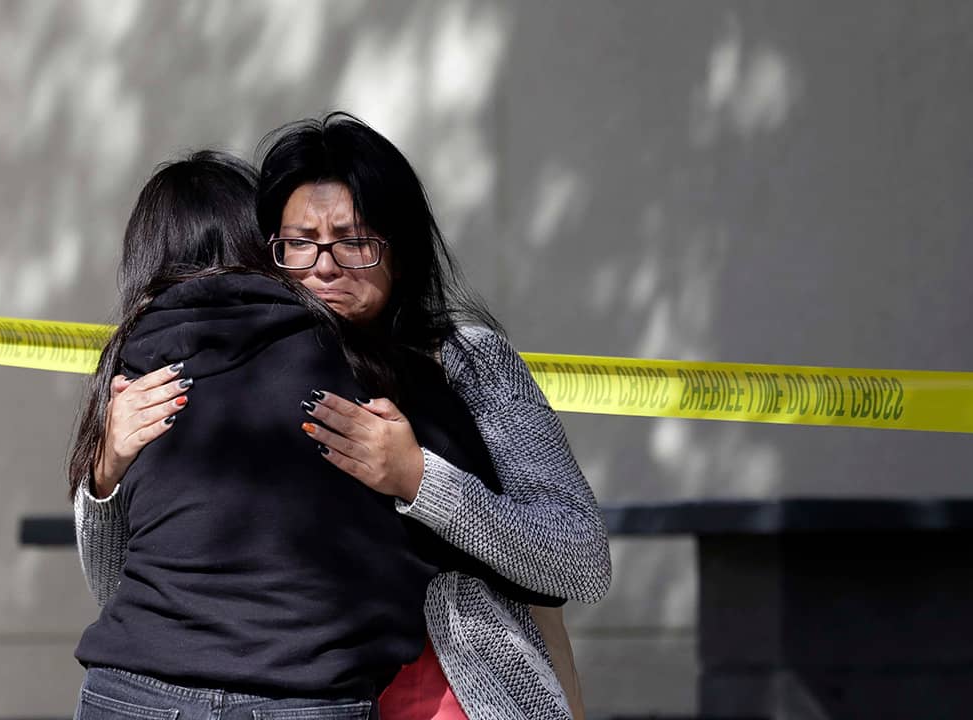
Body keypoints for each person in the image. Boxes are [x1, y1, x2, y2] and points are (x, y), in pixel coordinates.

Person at [76, 114, 610, 720]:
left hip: (447, 699)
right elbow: (118, 588)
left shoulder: (465, 362)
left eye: (354, 241)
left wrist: (419, 479)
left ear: (400, 253)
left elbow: (581, 560)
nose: (325, 265)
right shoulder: (229, 370)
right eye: (300, 242)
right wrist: (105, 476)